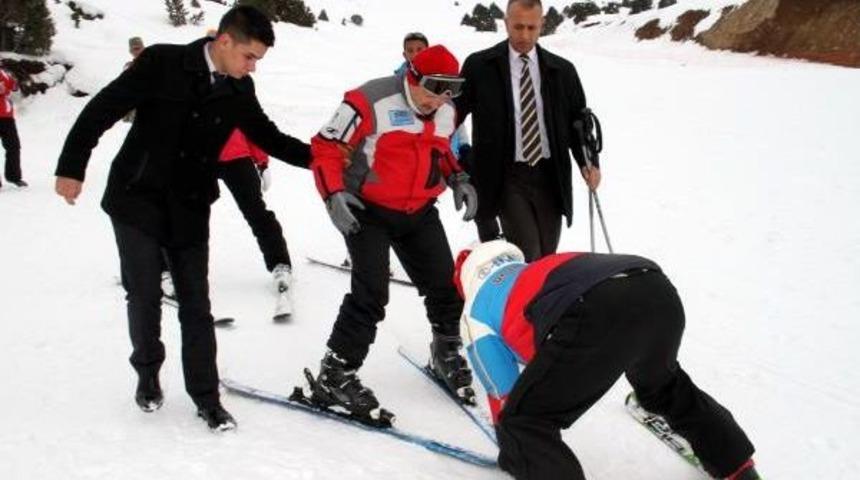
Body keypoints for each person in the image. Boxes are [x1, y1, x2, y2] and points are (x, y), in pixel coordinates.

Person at [54, 6, 311, 431]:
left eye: (258, 61)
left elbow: (268, 137)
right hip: (137, 197)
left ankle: (206, 397)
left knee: (196, 304)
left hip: (189, 204)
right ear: (224, 41)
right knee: (144, 295)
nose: (252, 68)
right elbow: (102, 109)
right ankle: (148, 373)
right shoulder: (163, 62)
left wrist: (323, 159)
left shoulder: (238, 89)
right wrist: (71, 166)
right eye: (250, 57)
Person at [454, 240, 761, 480]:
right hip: (654, 286)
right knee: (664, 387)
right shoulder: (532, 269)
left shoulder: (475, 312)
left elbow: (504, 391)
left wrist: (515, 452)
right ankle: (736, 465)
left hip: (595, 310)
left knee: (524, 421)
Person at [306, 45, 479, 418]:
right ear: (412, 76)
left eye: (451, 89)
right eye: (434, 88)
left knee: (446, 288)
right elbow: (325, 147)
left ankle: (445, 350)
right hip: (366, 210)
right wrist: (333, 194)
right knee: (371, 294)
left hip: (418, 210)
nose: (440, 99)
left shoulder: (446, 111)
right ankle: (335, 374)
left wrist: (458, 178)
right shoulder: (369, 100)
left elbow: (440, 150)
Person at [455, 0, 600, 261]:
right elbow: (450, 117)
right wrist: (449, 162)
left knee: (546, 253)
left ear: (542, 24)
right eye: (518, 26)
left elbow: (577, 123)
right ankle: (526, 300)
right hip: (506, 175)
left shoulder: (562, 71)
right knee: (528, 253)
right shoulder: (480, 66)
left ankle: (536, 300)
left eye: (532, 28)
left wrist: (588, 163)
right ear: (506, 22)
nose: (524, 35)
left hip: (550, 174)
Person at [217, 127, 295, 309]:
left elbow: (250, 122)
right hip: (197, 157)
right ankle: (169, 270)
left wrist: (262, 162)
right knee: (186, 216)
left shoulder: (236, 96)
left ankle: (280, 264)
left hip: (237, 156)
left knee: (257, 213)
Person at [0, 66, 26, 188]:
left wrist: (14, 84)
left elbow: (14, 89)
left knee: (14, 146)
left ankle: (14, 177)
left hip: (7, 117)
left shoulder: (4, 74)